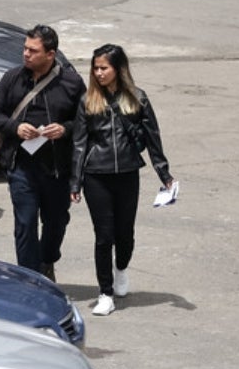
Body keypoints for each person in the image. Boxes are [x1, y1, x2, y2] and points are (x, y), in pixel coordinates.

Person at [70, 43, 174, 316]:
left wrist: (164, 175)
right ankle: (105, 293)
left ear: (118, 69)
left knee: (124, 234)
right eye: (96, 68)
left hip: (127, 174)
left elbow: (153, 138)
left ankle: (121, 269)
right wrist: (75, 182)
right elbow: (79, 143)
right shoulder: (87, 101)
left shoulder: (138, 98)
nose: (99, 73)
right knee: (103, 237)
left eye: (104, 68)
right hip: (96, 176)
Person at [0, 24, 85, 280]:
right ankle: (31, 280)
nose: (26, 54)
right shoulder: (13, 78)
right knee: (25, 224)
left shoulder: (72, 83)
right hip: (21, 167)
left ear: (50, 54)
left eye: (33, 50)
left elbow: (86, 121)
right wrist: (16, 128)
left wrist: (64, 129)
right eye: (25, 48)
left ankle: (47, 260)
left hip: (57, 169)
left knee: (56, 222)